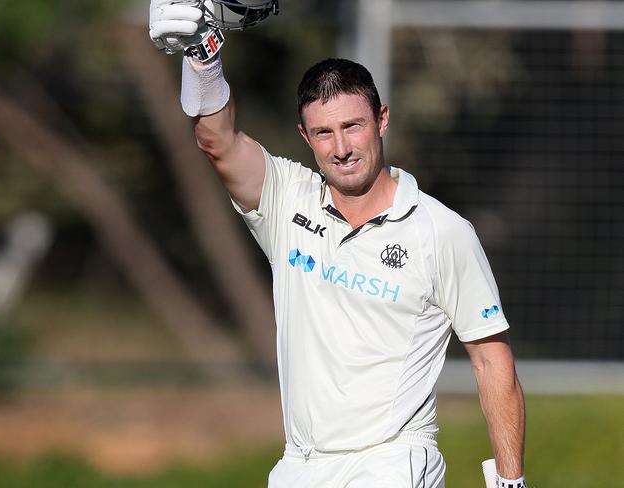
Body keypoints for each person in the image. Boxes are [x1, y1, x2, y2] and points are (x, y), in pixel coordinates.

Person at [149, 2, 527, 487]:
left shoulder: (442, 231)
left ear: (382, 119)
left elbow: (491, 357)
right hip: (300, 465)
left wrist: (510, 481)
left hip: (392, 461)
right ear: (304, 136)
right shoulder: (287, 199)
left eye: (353, 126)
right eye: (324, 133)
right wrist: (204, 60)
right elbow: (217, 142)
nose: (342, 147)